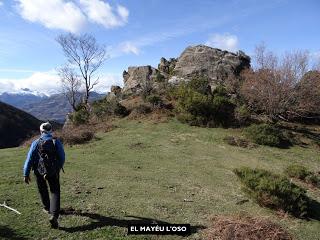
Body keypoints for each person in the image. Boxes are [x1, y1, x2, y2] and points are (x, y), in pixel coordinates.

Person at [23, 122, 65, 229]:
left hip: (39, 171)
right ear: (51, 131)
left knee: (42, 189)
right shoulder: (56, 142)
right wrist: (57, 168)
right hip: (53, 171)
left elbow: (29, 159)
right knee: (55, 191)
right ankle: (54, 215)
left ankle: (47, 207)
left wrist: (26, 173)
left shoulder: (35, 143)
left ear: (41, 131)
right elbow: (62, 157)